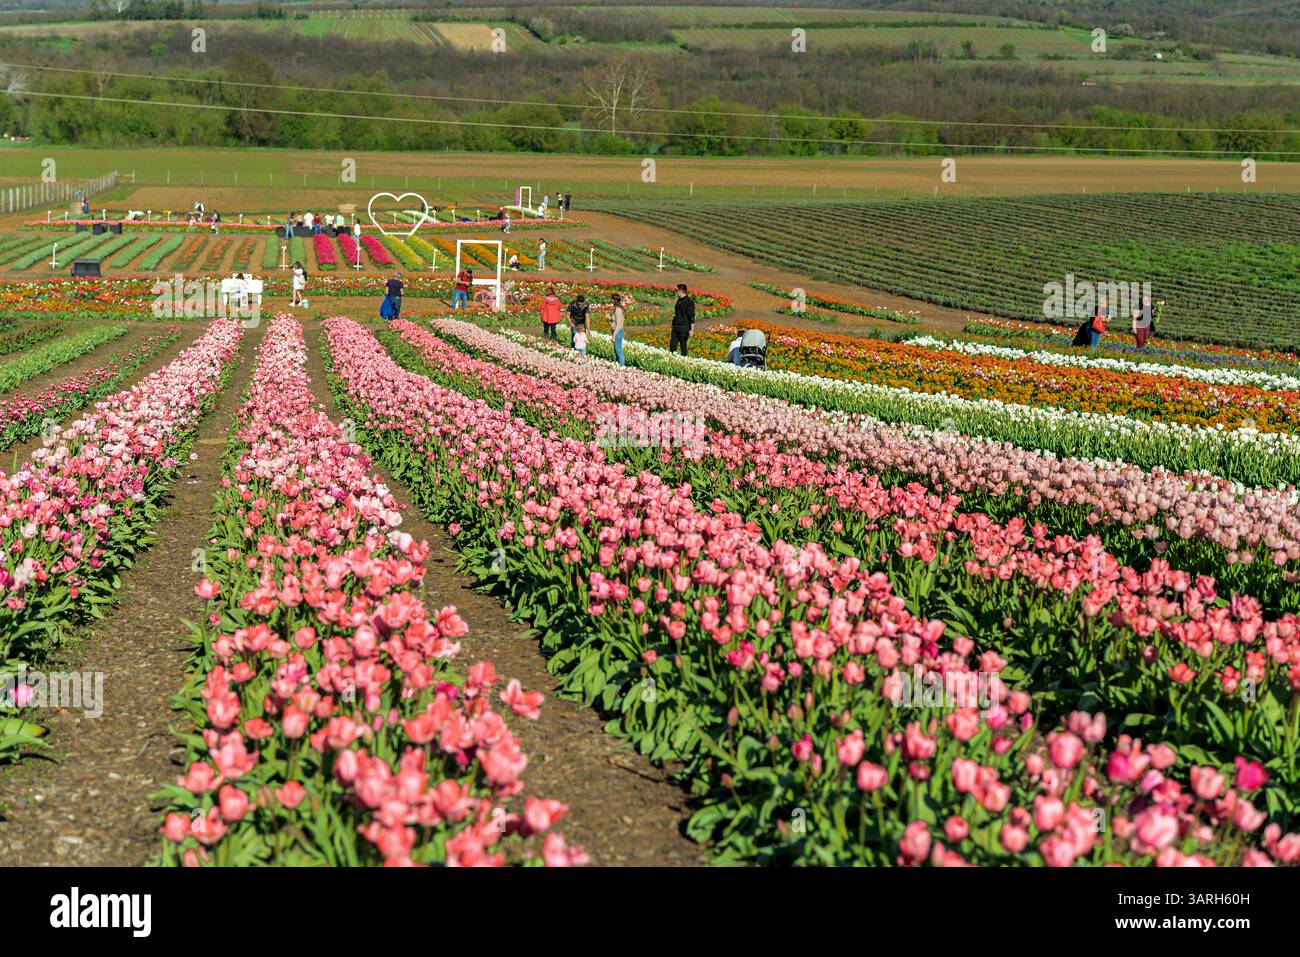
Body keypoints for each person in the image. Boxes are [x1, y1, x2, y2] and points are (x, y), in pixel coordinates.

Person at [670, 283, 695, 356]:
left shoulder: (689, 302)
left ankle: (684, 360)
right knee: (672, 345)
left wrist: (692, 330)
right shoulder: (679, 301)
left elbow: (691, 316)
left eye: (677, 290)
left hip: (684, 327)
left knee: (683, 346)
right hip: (676, 326)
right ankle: (672, 359)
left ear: (680, 291)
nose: (676, 292)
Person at [610, 293, 626, 367]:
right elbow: (616, 321)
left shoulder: (618, 310)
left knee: (618, 351)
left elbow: (618, 325)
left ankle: (622, 366)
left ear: (615, 300)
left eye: (612, 299)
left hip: (618, 332)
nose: (611, 301)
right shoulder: (618, 309)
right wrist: (609, 318)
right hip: (617, 332)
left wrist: (614, 335)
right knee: (616, 350)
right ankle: (618, 365)